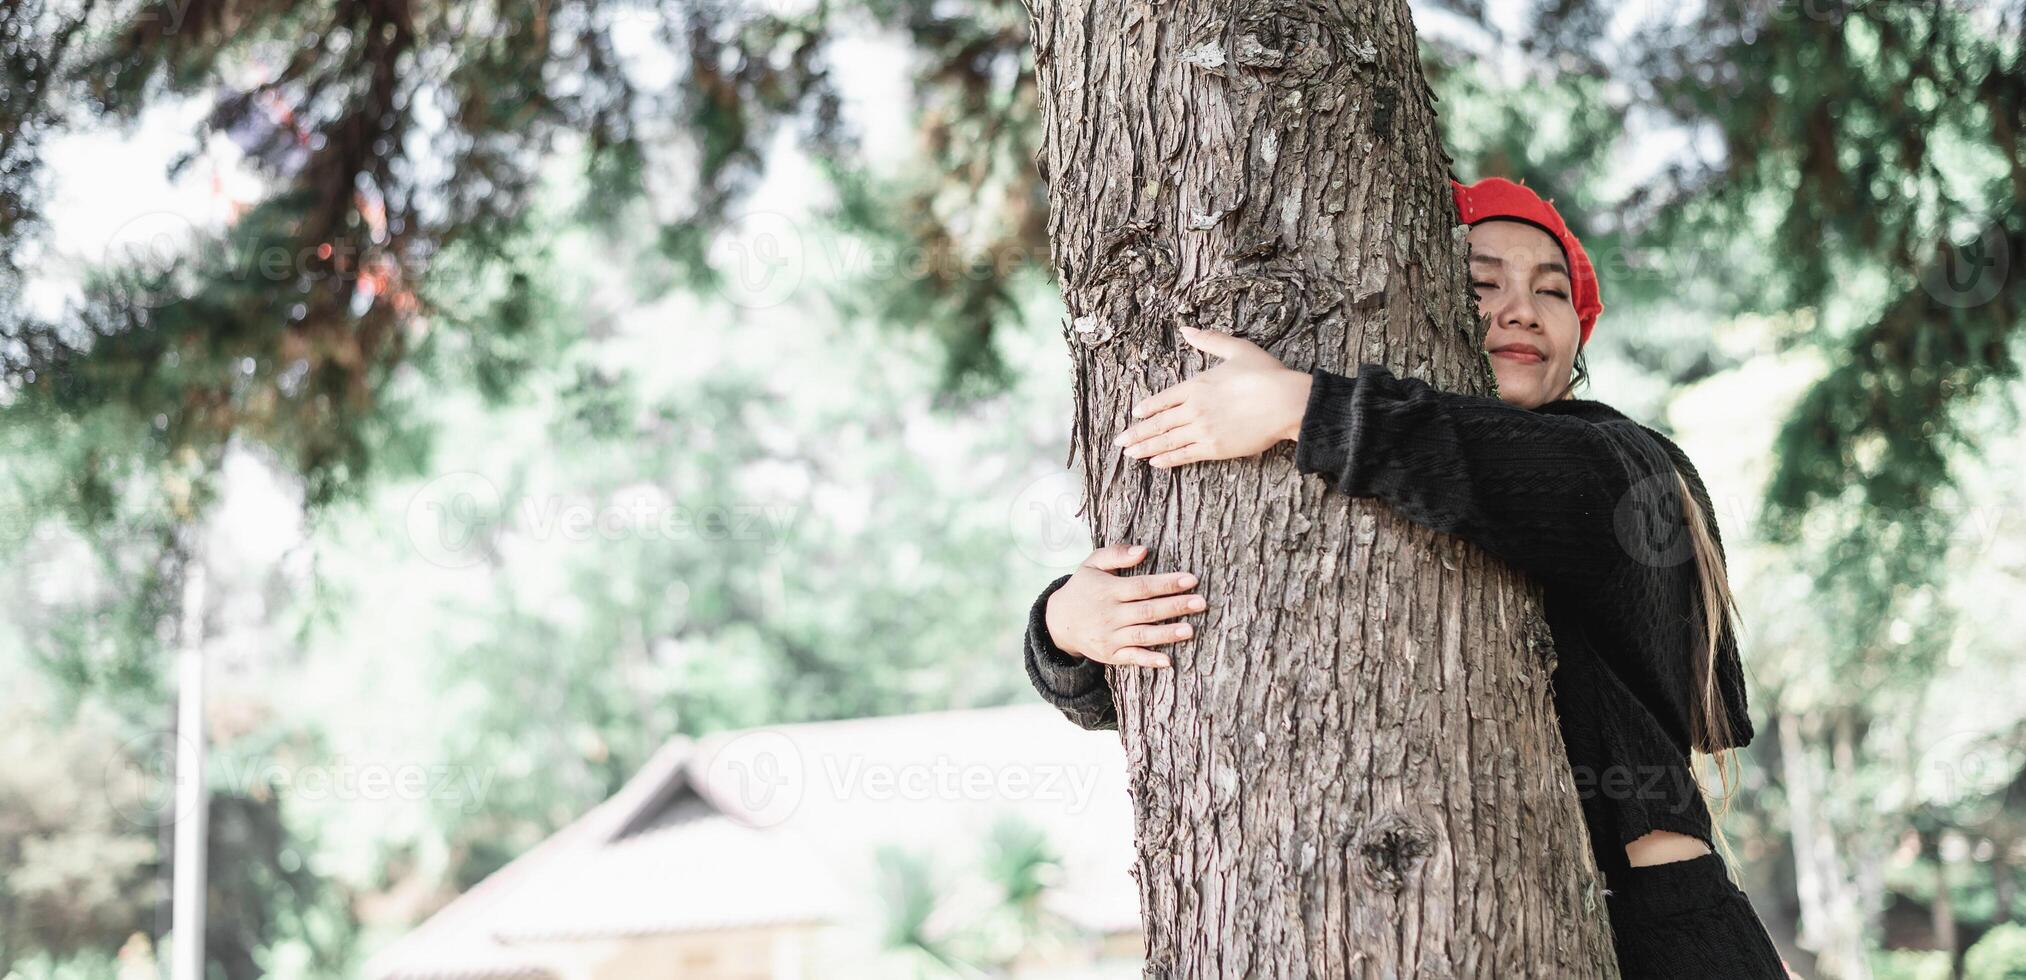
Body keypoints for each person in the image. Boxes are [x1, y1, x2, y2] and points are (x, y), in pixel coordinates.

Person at [1019, 176, 1801, 979]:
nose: (1523, 308)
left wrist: (1304, 409)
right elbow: (1232, 678)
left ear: (1580, 333)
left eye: (1551, 291)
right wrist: (1066, 629)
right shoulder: (1428, 495)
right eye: (1483, 283)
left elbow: (1520, 473)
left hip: (1669, 939)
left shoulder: (1626, 464)